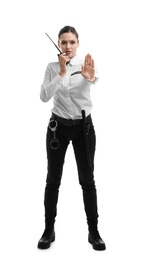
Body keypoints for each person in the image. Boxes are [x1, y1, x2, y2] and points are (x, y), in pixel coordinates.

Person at [37, 25, 106, 251]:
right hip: (58, 128)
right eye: (64, 42)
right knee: (52, 180)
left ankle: (93, 231)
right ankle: (49, 230)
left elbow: (94, 78)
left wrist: (92, 76)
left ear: (78, 44)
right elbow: (44, 96)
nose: (68, 46)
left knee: (87, 180)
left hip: (83, 129)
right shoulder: (52, 68)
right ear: (58, 43)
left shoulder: (85, 66)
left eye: (72, 42)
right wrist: (61, 72)